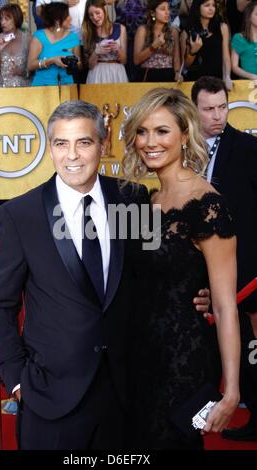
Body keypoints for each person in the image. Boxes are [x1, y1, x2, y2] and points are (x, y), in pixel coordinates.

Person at [0, 99, 211, 450]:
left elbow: (155, 272)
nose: (72, 155)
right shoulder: (21, 216)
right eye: (61, 143)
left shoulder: (131, 200)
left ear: (103, 145)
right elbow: (0, 304)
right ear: (50, 149)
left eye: (84, 142)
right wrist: (17, 379)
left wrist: (197, 291)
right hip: (51, 397)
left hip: (124, 392)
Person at [123, 87, 240, 449]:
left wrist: (231, 390)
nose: (149, 142)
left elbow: (223, 305)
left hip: (183, 360)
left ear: (184, 134)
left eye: (161, 131)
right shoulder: (145, 198)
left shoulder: (208, 205)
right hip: (139, 355)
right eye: (141, 131)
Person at [191, 75, 257, 441]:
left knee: (247, 343)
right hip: (196, 264)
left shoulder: (247, 149)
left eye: (222, 107)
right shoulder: (183, 148)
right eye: (209, 109)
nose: (217, 116)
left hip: (242, 267)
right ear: (194, 109)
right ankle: (202, 406)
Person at [180, 0, 232, 90]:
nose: (211, 8)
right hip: (195, 82)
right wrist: (193, 52)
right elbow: (185, 65)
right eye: (207, 5)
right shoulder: (187, 32)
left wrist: (227, 76)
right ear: (198, 7)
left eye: (213, 5)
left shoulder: (222, 27)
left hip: (217, 80)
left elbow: (226, 58)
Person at [28, 2, 82, 86]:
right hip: (42, 87)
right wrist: (52, 60)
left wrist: (73, 62)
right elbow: (30, 65)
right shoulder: (39, 37)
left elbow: (79, 65)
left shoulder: (73, 37)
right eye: (67, 16)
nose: (70, 18)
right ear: (57, 20)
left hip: (67, 86)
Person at [133, 0, 182, 82]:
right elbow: (136, 60)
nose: (167, 12)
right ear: (153, 13)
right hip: (148, 74)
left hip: (168, 75)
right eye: (163, 9)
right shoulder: (143, 30)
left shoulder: (173, 31)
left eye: (168, 9)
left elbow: (176, 58)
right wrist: (153, 47)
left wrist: (177, 73)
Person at [82, 0, 128, 84]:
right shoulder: (88, 32)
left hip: (117, 73)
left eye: (97, 13)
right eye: (91, 15)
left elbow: (124, 61)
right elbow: (90, 66)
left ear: (105, 10)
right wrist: (96, 52)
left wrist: (118, 49)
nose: (95, 17)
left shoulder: (121, 28)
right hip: (97, 74)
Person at [0, 3, 31, 88]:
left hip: (23, 89)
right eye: (1, 19)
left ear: (16, 19)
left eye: (7, 19)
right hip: (1, 89)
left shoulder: (28, 38)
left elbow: (34, 70)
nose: (3, 22)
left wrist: (21, 72)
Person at [231, 1, 257, 80]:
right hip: (246, 84)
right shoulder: (238, 38)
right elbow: (234, 67)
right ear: (249, 16)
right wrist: (253, 76)